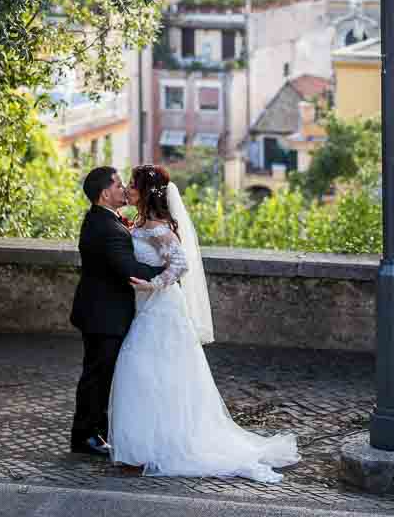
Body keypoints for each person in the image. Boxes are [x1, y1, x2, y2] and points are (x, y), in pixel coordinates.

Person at [108, 164, 299, 483]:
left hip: (162, 310)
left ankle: (150, 450)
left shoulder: (158, 227)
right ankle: (140, 449)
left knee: (144, 370)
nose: (128, 188)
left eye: (132, 184)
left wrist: (151, 286)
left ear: (146, 192)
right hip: (145, 309)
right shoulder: (141, 224)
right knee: (146, 374)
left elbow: (180, 265)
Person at [70, 165, 165, 456]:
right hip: (105, 315)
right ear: (104, 193)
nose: (124, 189)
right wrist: (167, 271)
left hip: (98, 310)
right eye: (118, 184)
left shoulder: (101, 220)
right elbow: (130, 269)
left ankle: (92, 431)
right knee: (98, 376)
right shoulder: (109, 228)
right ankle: (86, 436)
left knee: (97, 373)